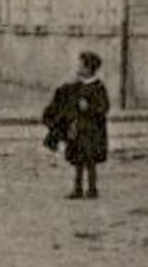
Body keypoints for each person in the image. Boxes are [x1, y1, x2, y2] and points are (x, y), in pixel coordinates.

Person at [42, 50, 110, 199]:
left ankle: (92, 189)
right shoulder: (76, 86)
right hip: (78, 130)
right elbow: (64, 99)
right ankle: (78, 189)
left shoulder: (98, 87)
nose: (78, 69)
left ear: (89, 69)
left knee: (90, 162)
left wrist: (89, 108)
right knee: (78, 161)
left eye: (81, 66)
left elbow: (104, 107)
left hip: (92, 132)